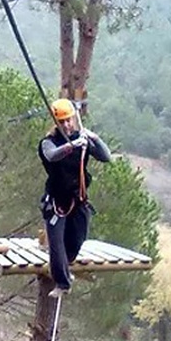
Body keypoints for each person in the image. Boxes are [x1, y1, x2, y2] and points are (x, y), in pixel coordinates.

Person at [37, 98, 112, 298]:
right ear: (55, 122)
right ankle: (62, 283)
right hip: (56, 201)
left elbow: (106, 157)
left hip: (78, 199)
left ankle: (66, 261)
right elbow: (52, 155)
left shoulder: (83, 140)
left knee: (77, 239)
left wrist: (93, 138)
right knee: (56, 243)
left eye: (69, 120)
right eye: (61, 122)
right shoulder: (48, 143)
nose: (66, 125)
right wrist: (71, 146)